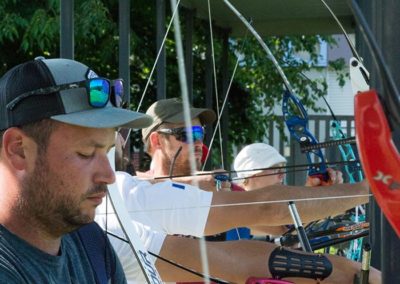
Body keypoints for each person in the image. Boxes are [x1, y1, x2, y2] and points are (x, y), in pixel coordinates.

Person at [95, 98, 379, 283]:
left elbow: (275, 218)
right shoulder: (131, 194)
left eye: (200, 134)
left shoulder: (213, 187)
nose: (197, 142)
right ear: (156, 140)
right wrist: (370, 189)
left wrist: (315, 194)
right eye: (187, 135)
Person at [0, 57, 155, 282]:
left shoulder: (92, 244)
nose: (109, 176)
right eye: (86, 153)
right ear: (19, 149)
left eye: (109, 152)